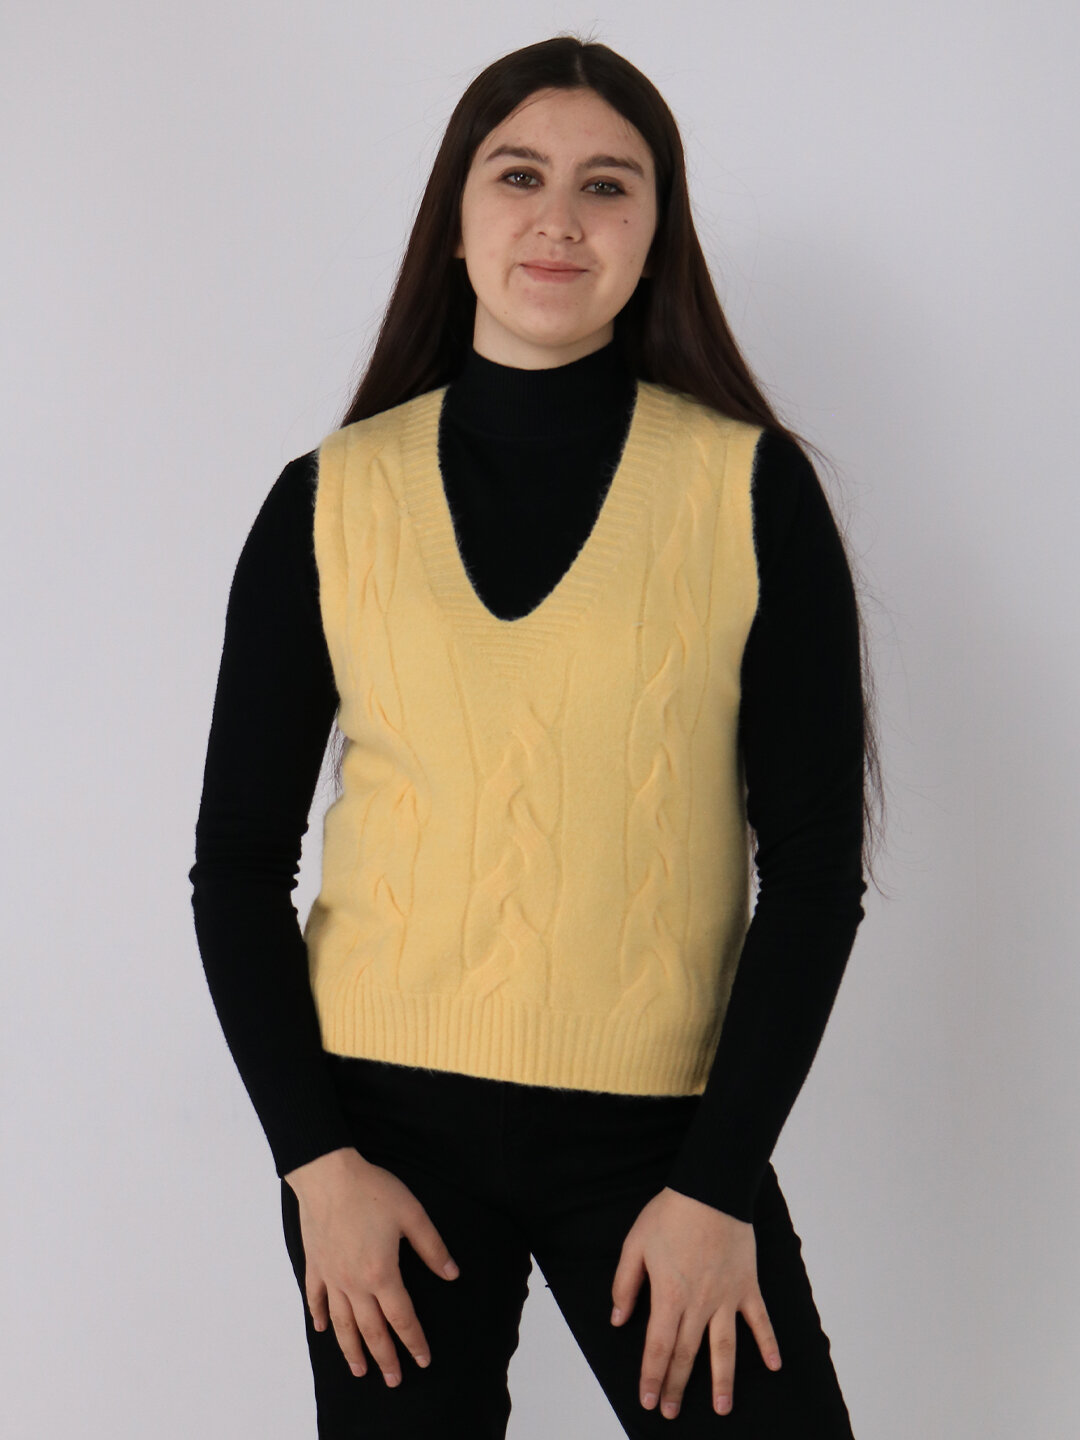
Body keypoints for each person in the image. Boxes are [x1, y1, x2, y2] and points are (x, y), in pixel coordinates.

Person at [188, 33, 883, 1440]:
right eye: (518, 176)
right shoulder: (328, 501)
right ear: (455, 221)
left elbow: (814, 876)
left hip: (663, 1142)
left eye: (607, 186)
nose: (559, 219)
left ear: (655, 236)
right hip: (379, 1147)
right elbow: (237, 867)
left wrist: (718, 1184)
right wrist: (317, 1168)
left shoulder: (750, 493)